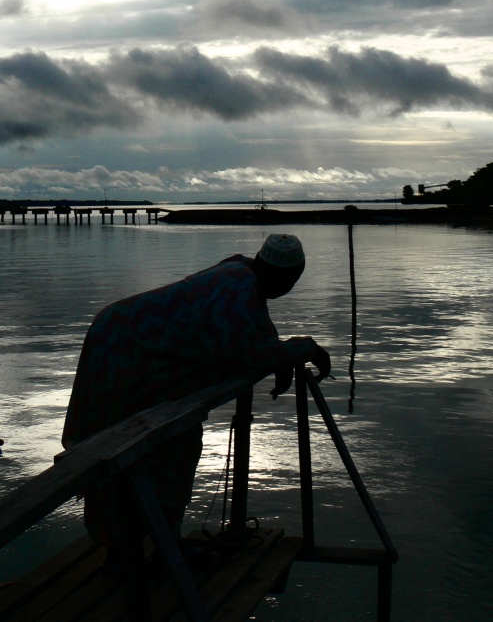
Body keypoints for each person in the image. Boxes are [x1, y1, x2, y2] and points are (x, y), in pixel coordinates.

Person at [62, 233, 330, 555]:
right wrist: (298, 349)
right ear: (285, 275)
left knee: (173, 446)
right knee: (127, 448)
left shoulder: (243, 276)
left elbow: (254, 333)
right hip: (122, 351)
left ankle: (154, 546)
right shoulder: (237, 284)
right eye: (291, 280)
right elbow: (241, 351)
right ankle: (130, 552)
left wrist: (282, 355)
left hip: (137, 352)